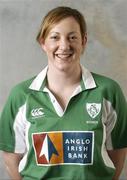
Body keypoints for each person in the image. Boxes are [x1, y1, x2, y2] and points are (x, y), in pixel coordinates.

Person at [0, 6, 127, 180]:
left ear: (84, 41)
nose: (64, 45)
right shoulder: (21, 96)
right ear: (43, 42)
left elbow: (118, 152)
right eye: (55, 37)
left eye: (72, 37)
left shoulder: (108, 91)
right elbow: (10, 158)